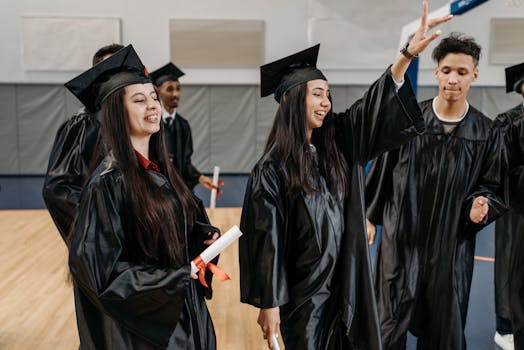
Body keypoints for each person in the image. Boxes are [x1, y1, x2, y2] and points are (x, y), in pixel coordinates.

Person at [239, 3, 452, 349]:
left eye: (328, 95)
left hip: (344, 280)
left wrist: (406, 56)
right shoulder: (272, 168)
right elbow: (267, 239)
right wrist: (269, 301)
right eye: (317, 94)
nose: (326, 103)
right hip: (303, 292)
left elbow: (371, 107)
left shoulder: (336, 143)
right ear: (294, 101)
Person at [65, 45, 219, 349]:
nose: (153, 106)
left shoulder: (163, 172)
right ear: (116, 113)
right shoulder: (108, 184)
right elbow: (105, 277)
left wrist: (201, 238)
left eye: (153, 98)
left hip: (184, 315)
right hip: (146, 333)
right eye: (139, 100)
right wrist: (173, 277)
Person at [365, 33, 507, 349]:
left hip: (451, 249)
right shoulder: (408, 123)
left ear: (475, 75)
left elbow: (494, 187)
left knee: (445, 334)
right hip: (400, 243)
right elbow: (381, 171)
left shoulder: (487, 133)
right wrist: (369, 215)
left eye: (461, 72)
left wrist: (481, 205)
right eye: (446, 70)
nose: (453, 79)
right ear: (436, 72)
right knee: (387, 330)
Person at [42, 43, 124, 242]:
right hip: (107, 240)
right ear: (97, 79)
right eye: (110, 72)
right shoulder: (83, 124)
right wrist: (102, 228)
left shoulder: (133, 122)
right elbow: (58, 189)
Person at [150, 63, 223, 194]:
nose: (175, 94)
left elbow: (185, 163)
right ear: (158, 91)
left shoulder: (183, 125)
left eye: (178, 89)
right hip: (156, 191)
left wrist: (200, 178)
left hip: (179, 191)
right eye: (169, 89)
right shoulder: (151, 122)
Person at [493, 61, 524, 350]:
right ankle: (507, 326)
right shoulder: (507, 122)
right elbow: (501, 168)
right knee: (511, 266)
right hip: (517, 207)